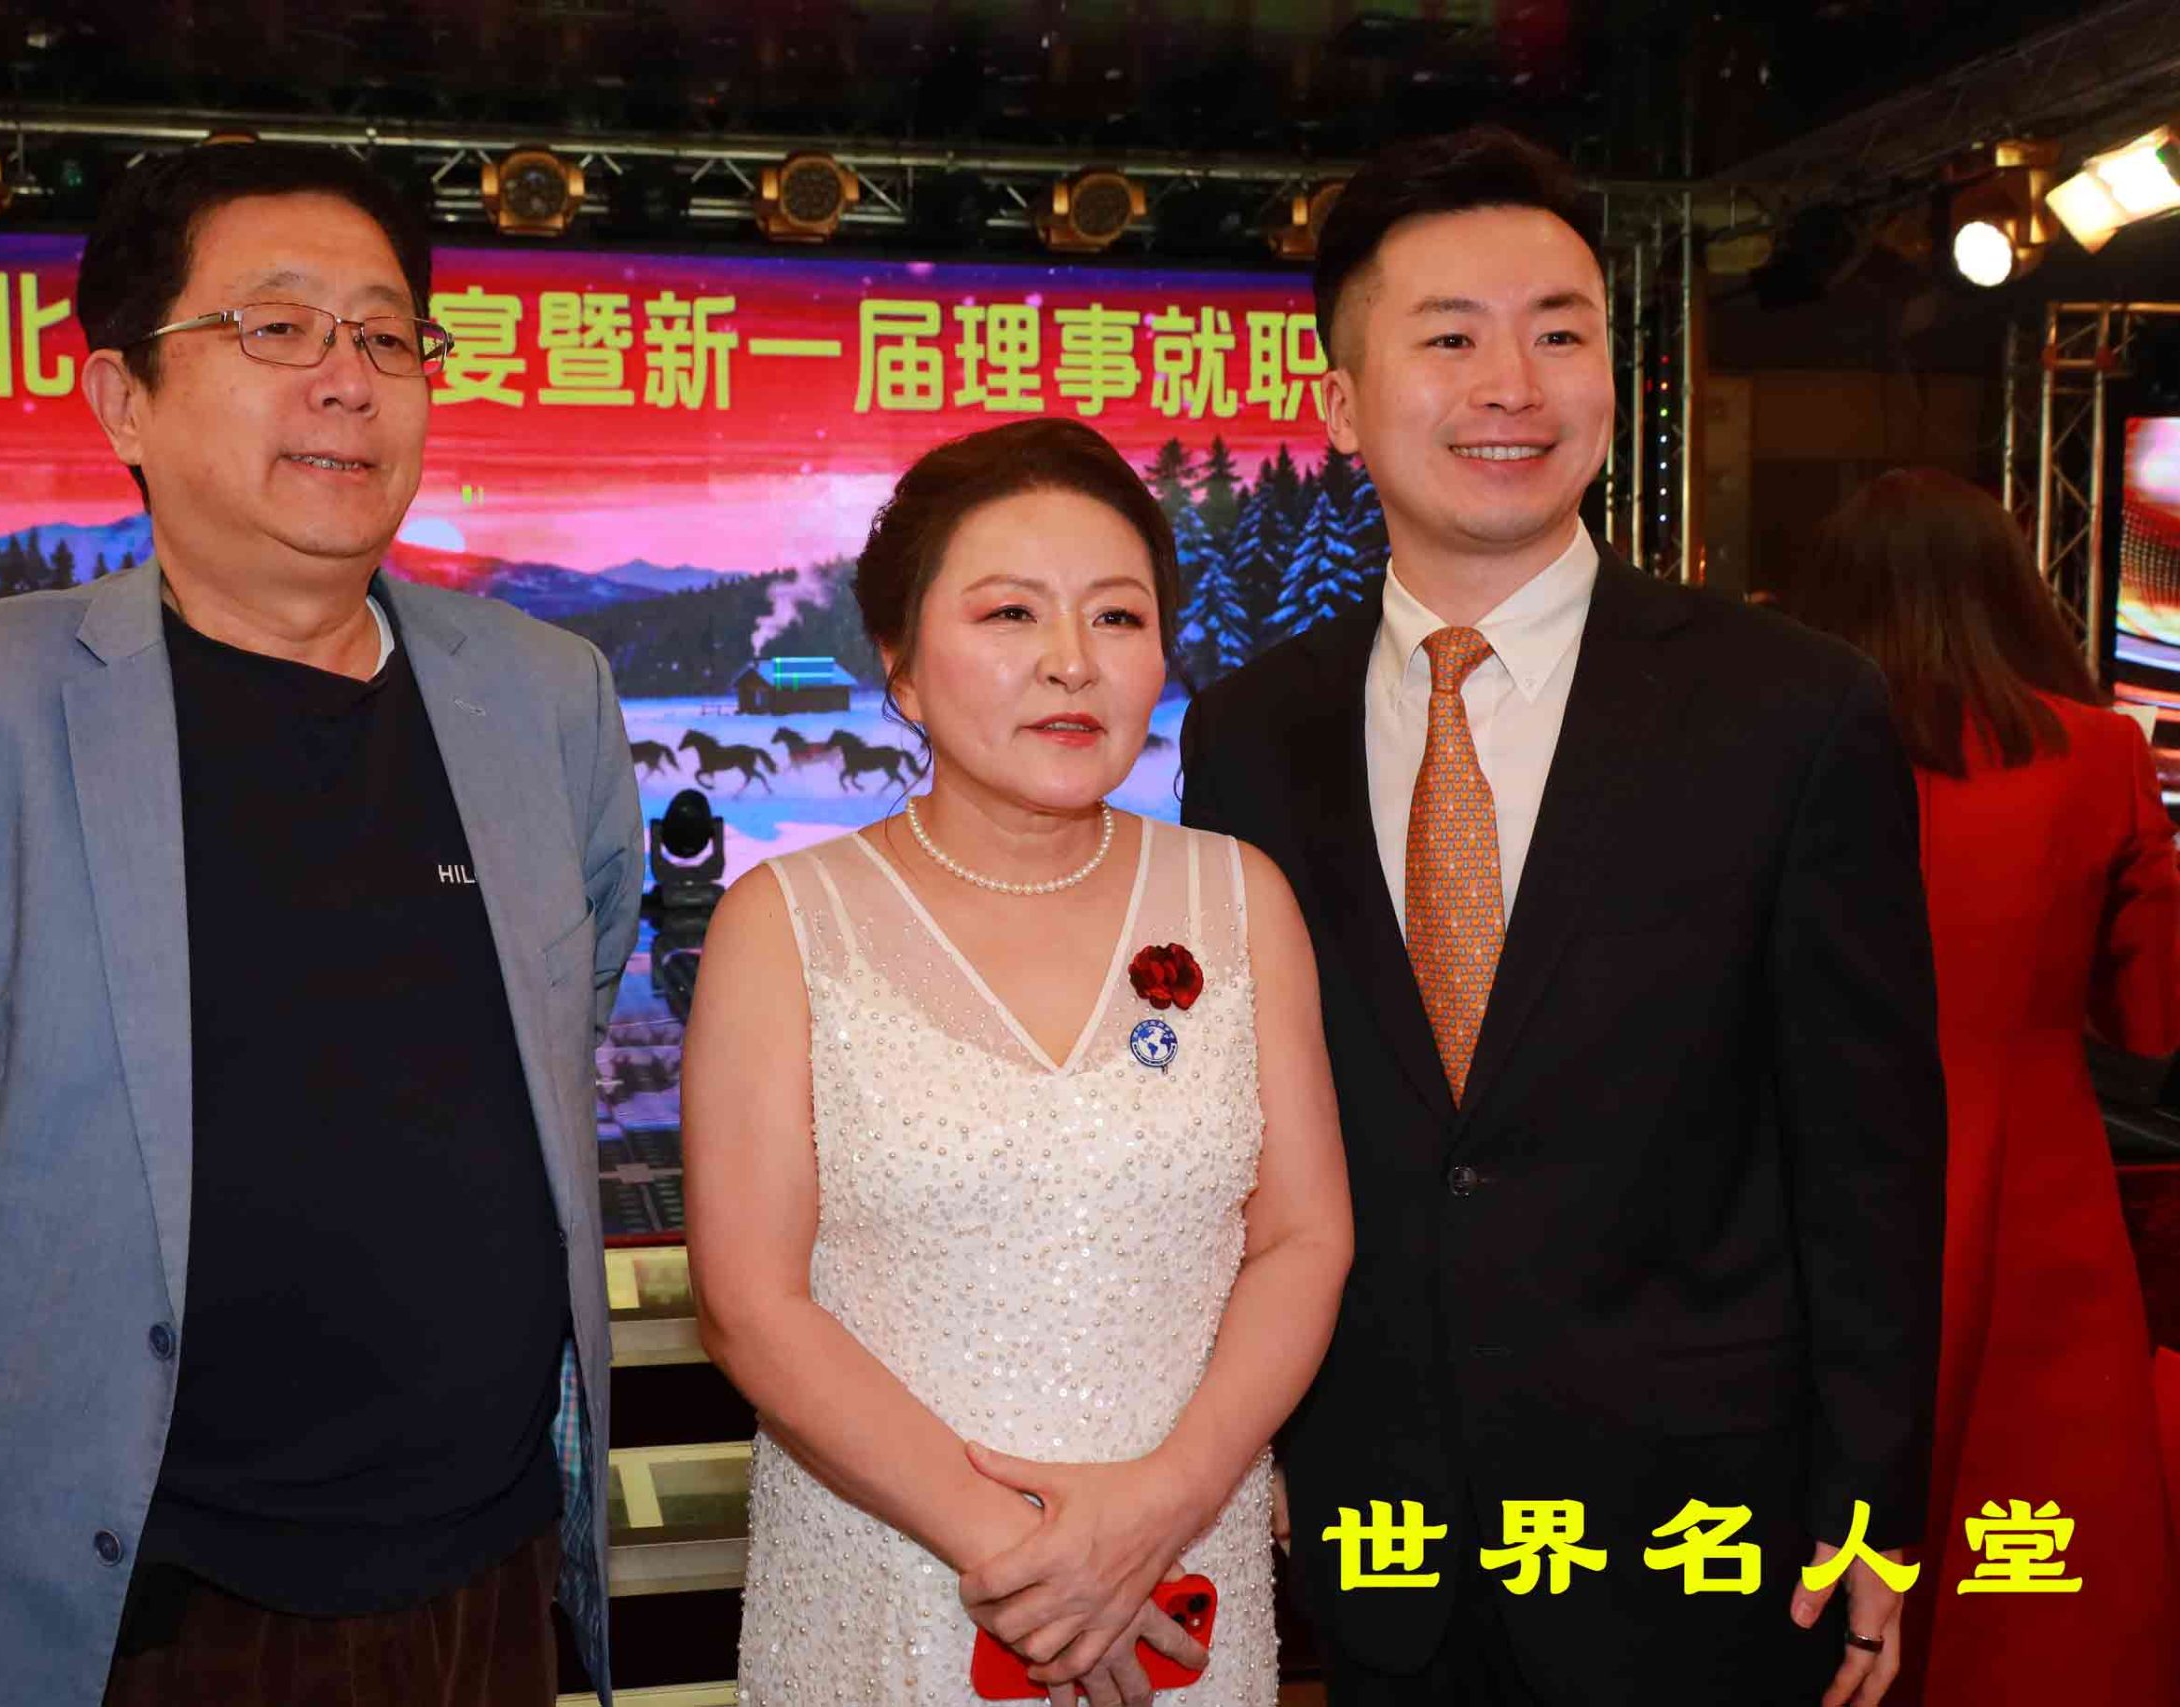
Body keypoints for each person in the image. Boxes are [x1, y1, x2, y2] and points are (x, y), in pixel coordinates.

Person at [0, 142, 641, 1707]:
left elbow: (581, 986)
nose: (347, 378)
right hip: (133, 1587)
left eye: (387, 334)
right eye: (275, 327)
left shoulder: (548, 694)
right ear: (123, 400)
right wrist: (46, 1274)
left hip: (488, 1562)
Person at [1178, 126, 1947, 1707]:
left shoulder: (1791, 709)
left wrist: (1871, 1494)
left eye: (1560, 333)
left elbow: (1868, 1146)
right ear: (1341, 401)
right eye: (1451, 338)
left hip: (1703, 1530)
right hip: (1381, 1519)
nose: (1513, 385)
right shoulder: (1252, 731)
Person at [682, 417, 1353, 1707]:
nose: (1070, 663)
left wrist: (1157, 1510)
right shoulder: (788, 922)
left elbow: (1303, 1238)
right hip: (900, 1578)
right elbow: (750, 1303)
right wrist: (1038, 1568)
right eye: (1008, 614)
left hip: (1178, 1561)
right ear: (899, 662)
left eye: (1116, 617)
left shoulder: (1236, 897)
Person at [1771, 467, 2180, 1706]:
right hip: (2033, 1197)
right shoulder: (2098, 753)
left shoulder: (1772, 752)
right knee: (2035, 1545)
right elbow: (2154, 1017)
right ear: (2014, 588)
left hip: (1804, 1179)